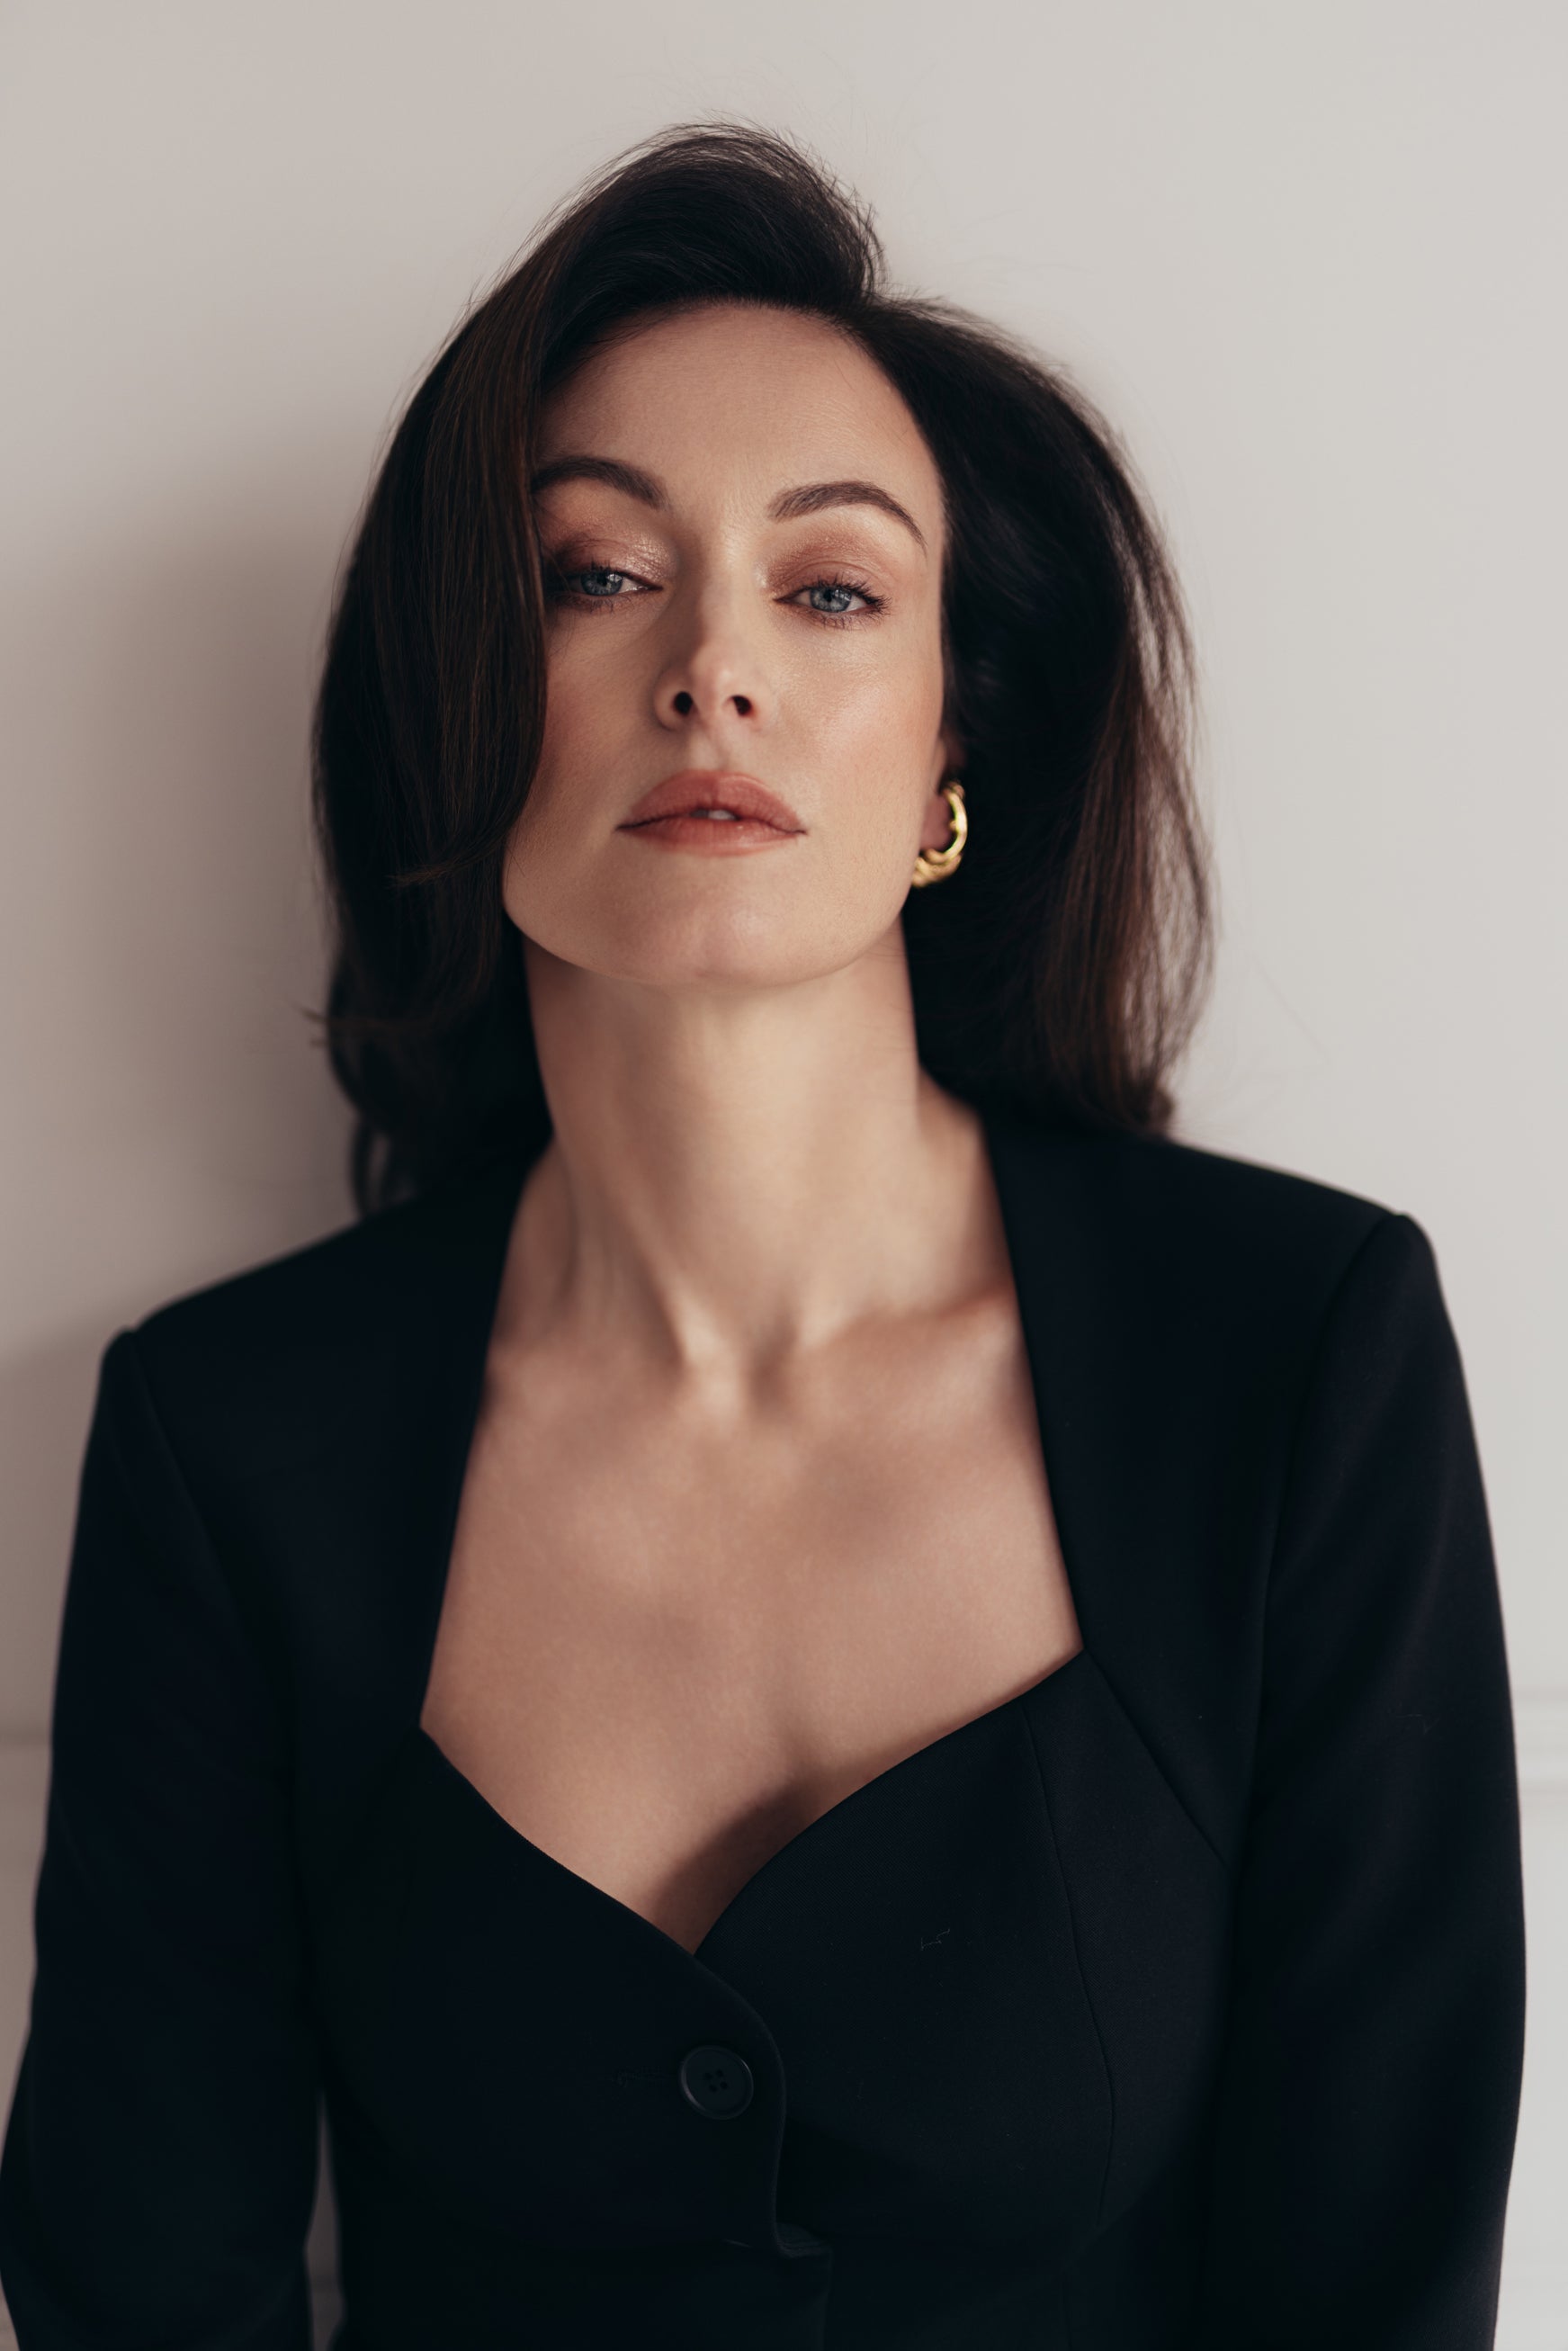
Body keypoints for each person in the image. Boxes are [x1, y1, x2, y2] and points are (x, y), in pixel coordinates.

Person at [0, 123, 1525, 2350]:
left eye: (827, 590)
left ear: (947, 751)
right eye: (594, 573)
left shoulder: (1291, 1357)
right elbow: (145, 2291)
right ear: (453, 706)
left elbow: (1375, 2276)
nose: (711, 664)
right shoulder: (227, 1443)